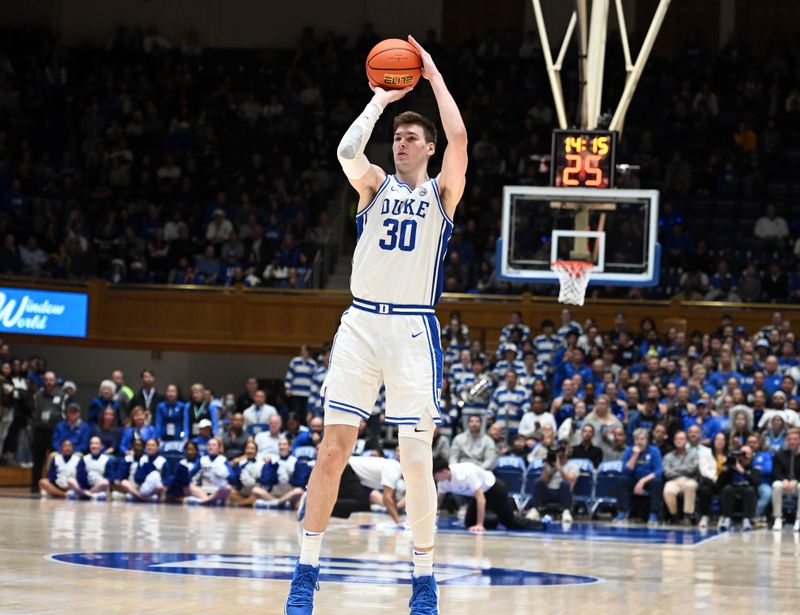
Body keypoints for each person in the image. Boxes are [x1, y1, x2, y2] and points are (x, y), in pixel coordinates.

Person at [286, 36, 469, 615]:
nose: (401, 141)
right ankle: (305, 573)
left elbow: (461, 137)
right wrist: (380, 102)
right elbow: (346, 151)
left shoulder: (444, 192)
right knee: (331, 453)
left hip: (414, 330)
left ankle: (423, 579)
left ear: (430, 149)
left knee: (416, 460)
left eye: (411, 137)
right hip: (361, 325)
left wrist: (433, 76)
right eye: (397, 136)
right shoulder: (374, 185)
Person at [433, 456, 538, 532]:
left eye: (436, 475)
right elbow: (438, 501)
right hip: (479, 494)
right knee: (469, 523)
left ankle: (538, 523)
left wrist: (480, 524)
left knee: (510, 522)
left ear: (444, 471)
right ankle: (496, 519)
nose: (436, 479)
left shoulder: (466, 472)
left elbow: (481, 499)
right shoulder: (443, 481)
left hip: (495, 490)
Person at [327, 454, 405, 524]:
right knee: (362, 503)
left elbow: (391, 498)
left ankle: (326, 508)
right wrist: (397, 521)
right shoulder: (395, 470)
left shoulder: (395, 467)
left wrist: (396, 514)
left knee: (352, 501)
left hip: (347, 468)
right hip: (346, 468)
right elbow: (387, 498)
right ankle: (325, 508)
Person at [615, 428, 664, 526]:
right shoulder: (629, 451)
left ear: (647, 440)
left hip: (648, 479)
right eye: (637, 439)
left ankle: (653, 514)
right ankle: (623, 512)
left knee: (657, 481)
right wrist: (634, 455)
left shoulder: (654, 451)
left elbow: (658, 471)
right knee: (622, 479)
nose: (639, 442)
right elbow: (626, 471)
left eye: (642, 439)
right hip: (633, 478)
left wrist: (642, 481)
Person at [254, 437, 309, 509]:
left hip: (289, 494)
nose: (281, 447)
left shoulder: (295, 461)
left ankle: (275, 503)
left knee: (299, 491)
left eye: (284, 444)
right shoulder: (273, 460)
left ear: (289, 447)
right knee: (255, 490)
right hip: (273, 493)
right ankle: (279, 502)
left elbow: (299, 483)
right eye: (279, 445)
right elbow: (265, 481)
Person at [30, 371, 63, 492]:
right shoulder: (37, 396)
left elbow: (63, 415)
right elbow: (33, 414)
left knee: (55, 459)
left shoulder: (62, 396)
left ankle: (53, 484)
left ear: (55, 381)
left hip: (55, 432)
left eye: (51, 380)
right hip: (40, 431)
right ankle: (35, 484)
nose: (49, 382)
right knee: (38, 459)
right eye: (47, 380)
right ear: (43, 381)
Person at [528, 440, 575, 524]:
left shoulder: (572, 465)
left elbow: (570, 482)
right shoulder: (549, 464)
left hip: (562, 494)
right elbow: (544, 480)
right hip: (548, 492)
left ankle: (566, 511)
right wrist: (546, 464)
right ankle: (535, 509)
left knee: (565, 483)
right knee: (537, 482)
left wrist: (559, 467)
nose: (560, 453)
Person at [717, 445, 761, 532]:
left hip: (747, 490)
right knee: (727, 489)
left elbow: (756, 482)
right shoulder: (731, 466)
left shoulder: (754, 468)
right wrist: (727, 468)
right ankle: (727, 519)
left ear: (752, 455)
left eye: (748, 454)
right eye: (743, 454)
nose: (745, 456)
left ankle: (747, 519)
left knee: (750, 490)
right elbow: (719, 483)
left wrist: (742, 471)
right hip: (733, 488)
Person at [662, 431, 699, 525]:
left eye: (681, 439)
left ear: (686, 441)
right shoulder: (668, 456)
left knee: (690, 486)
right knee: (668, 490)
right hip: (674, 480)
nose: (679, 441)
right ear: (674, 441)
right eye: (677, 439)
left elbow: (692, 469)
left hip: (690, 479)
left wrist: (675, 469)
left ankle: (688, 516)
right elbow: (667, 472)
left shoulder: (693, 454)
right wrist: (682, 470)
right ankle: (674, 517)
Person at [184, 436, 234, 505]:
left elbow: (233, 477)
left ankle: (204, 501)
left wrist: (223, 474)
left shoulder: (223, 460)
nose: (211, 447)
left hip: (218, 490)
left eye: (213, 445)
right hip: (203, 490)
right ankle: (208, 500)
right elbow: (190, 474)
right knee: (187, 486)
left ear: (219, 448)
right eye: (209, 445)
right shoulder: (202, 460)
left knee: (228, 488)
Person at [117, 437, 169, 502]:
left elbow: (166, 480)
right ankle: (141, 497)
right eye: (148, 445)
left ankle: (146, 497)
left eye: (152, 445)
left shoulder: (162, 461)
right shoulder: (142, 459)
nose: (150, 447)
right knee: (125, 486)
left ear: (158, 447)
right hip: (141, 487)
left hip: (155, 490)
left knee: (159, 486)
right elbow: (138, 477)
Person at [67, 435, 114, 500]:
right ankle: (86, 494)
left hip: (98, 488)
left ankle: (87, 494)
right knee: (70, 480)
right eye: (91, 443)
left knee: (105, 482)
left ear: (101, 446)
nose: (93, 446)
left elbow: (110, 478)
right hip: (84, 487)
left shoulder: (106, 460)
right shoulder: (84, 459)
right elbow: (79, 477)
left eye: (96, 444)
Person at [771, 428, 800, 532]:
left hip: (797, 484)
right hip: (784, 484)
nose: (792, 441)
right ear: (787, 441)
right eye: (790, 439)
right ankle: (778, 518)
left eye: (795, 439)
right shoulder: (780, 454)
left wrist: (796, 481)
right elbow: (776, 473)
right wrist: (783, 480)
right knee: (776, 485)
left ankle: (798, 519)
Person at [285, 345, 317, 424]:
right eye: (302, 350)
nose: (303, 352)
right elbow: (289, 375)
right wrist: (287, 388)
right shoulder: (295, 361)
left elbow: (314, 379)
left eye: (305, 350)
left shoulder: (313, 364)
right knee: (296, 413)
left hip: (307, 394)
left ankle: (304, 428)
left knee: (305, 414)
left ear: (308, 352)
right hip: (295, 392)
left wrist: (314, 393)